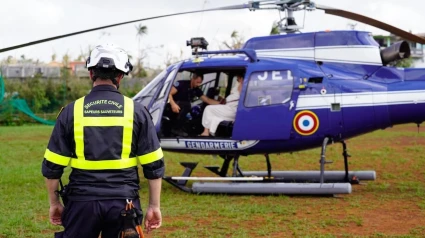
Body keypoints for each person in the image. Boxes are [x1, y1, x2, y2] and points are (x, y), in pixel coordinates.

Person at [41, 43, 164, 238]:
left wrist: (54, 204)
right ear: (120, 76)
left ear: (91, 74)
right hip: (124, 204)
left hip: (81, 203)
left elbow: (52, 166)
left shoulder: (71, 111)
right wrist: (154, 206)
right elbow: (154, 165)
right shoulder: (137, 112)